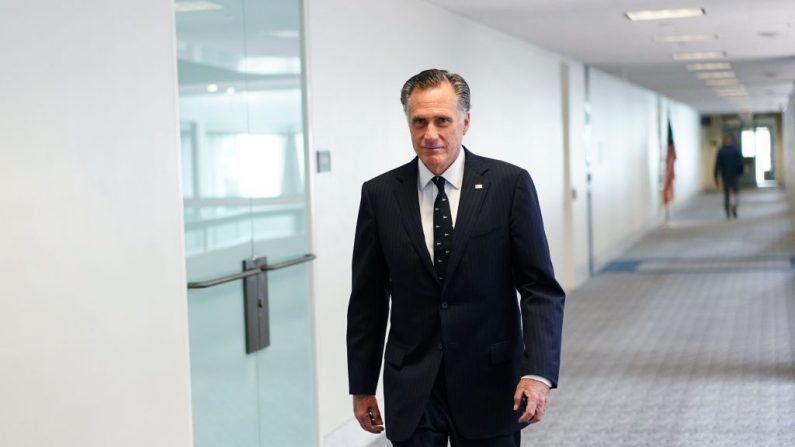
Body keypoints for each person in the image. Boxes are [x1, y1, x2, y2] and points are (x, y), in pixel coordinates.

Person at [346, 69, 565, 447]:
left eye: (442, 120)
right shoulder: (380, 195)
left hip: (491, 381)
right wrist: (362, 385)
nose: (430, 134)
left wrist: (538, 373)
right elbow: (367, 298)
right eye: (419, 122)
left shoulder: (509, 185)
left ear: (465, 122)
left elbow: (539, 289)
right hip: (413, 383)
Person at [714, 134, 744, 219]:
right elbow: (740, 162)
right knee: (734, 193)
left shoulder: (721, 151)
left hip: (726, 175)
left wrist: (716, 176)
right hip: (734, 175)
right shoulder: (735, 150)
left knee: (727, 194)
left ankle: (728, 211)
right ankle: (733, 208)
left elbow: (717, 165)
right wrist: (740, 173)